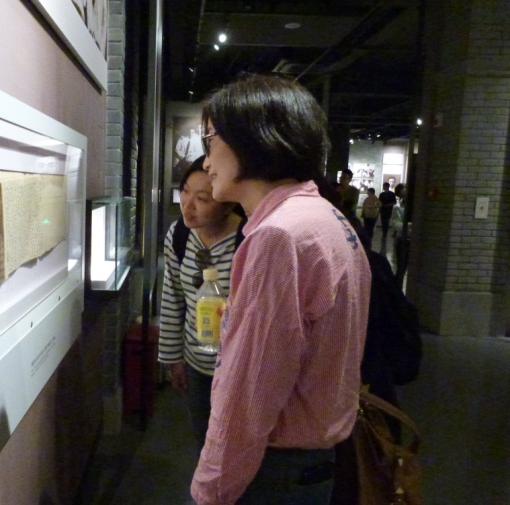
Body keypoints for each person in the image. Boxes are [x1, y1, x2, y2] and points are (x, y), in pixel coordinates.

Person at [190, 75, 371, 505]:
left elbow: (250, 394)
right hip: (312, 461)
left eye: (211, 140)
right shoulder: (325, 217)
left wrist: (210, 490)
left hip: (273, 469)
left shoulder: (279, 236)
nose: (207, 161)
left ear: (253, 138)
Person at [158, 156, 245, 451]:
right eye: (184, 192)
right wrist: (173, 358)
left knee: (235, 447)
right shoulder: (180, 235)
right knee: (204, 443)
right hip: (196, 363)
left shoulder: (248, 240)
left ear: (228, 204)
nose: (188, 205)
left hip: (237, 369)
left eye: (202, 199)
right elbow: (173, 295)